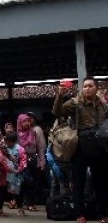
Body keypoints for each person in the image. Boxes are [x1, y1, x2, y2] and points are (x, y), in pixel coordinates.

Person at [53, 77, 108, 223]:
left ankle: (102, 214)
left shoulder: (103, 105)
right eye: (84, 86)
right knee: (78, 181)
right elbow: (57, 112)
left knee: (100, 182)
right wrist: (60, 94)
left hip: (98, 147)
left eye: (90, 86)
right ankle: (79, 214)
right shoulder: (75, 102)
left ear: (96, 88)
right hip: (80, 147)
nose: (87, 89)